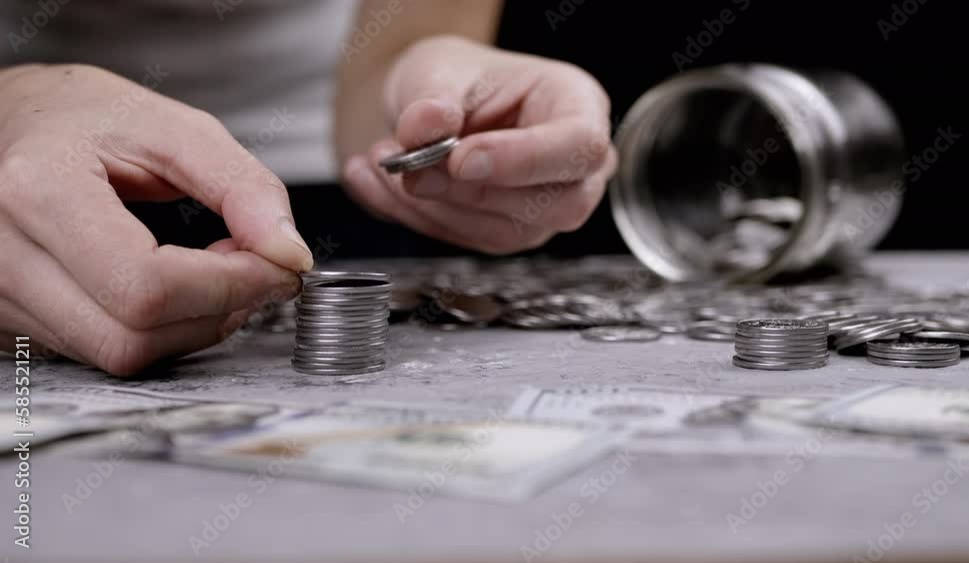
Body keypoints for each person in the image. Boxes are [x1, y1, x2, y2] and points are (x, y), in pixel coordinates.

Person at [0, 0, 616, 375]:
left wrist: (422, 86)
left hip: (328, 194)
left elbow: (381, 87)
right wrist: (12, 101)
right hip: (36, 163)